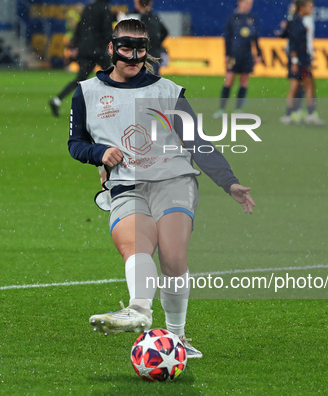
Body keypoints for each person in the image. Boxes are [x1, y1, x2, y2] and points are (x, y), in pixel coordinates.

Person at [68, 19, 255, 359]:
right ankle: (139, 311)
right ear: (112, 48)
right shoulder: (86, 92)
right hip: (125, 184)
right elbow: (76, 144)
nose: (133, 57)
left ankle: (176, 336)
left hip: (173, 181)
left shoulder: (168, 91)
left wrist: (229, 182)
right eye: (126, 48)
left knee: (172, 256)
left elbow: (197, 141)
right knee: (136, 243)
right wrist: (99, 153)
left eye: (140, 50)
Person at [49, 0, 115, 117]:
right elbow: (107, 32)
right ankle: (111, 106)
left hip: (85, 49)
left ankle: (57, 100)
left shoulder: (88, 8)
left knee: (81, 78)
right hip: (99, 50)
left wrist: (75, 44)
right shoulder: (105, 9)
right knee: (113, 76)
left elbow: (80, 27)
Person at [213, 0, 262, 118]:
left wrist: (259, 54)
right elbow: (227, 37)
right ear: (239, 3)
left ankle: (238, 109)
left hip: (247, 55)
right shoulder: (232, 18)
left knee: (244, 81)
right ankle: (221, 109)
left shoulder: (252, 18)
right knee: (229, 79)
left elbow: (255, 38)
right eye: (246, 3)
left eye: (250, 4)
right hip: (233, 55)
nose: (248, 6)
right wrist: (227, 54)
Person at [280, 0, 324, 125]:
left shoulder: (294, 21)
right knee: (308, 86)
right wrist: (295, 61)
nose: (311, 9)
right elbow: (294, 43)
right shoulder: (298, 23)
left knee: (296, 87)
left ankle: (290, 114)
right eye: (309, 6)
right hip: (300, 60)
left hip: (298, 59)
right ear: (302, 8)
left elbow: (285, 36)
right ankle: (310, 114)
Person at [132, 0, 168, 75]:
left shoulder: (137, 18)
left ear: (138, 4)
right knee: (153, 82)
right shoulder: (154, 17)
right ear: (150, 3)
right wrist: (157, 45)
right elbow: (164, 32)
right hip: (153, 56)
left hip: (140, 58)